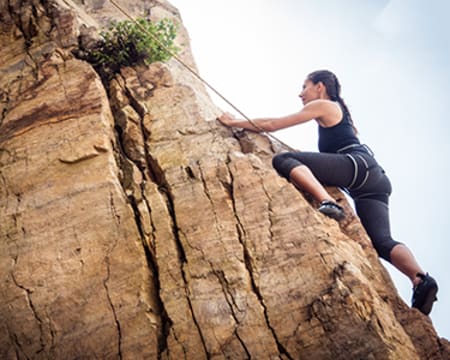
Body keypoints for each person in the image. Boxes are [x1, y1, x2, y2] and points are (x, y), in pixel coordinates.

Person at [218, 69, 438, 315]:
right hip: (373, 180)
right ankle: (420, 279)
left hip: (357, 168)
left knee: (284, 159)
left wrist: (233, 122)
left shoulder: (325, 105)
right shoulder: (339, 113)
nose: (300, 93)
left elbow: (272, 125)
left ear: (320, 87)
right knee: (382, 242)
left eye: (305, 86)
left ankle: (327, 202)